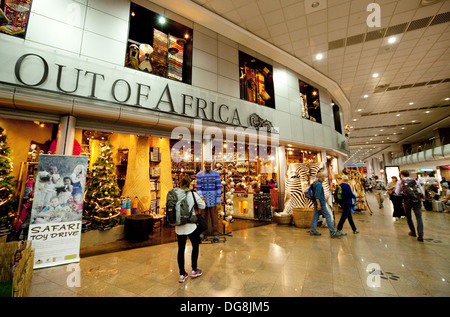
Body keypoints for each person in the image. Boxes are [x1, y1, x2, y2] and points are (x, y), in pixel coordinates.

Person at [176, 175, 206, 283]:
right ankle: (194, 270)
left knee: (181, 249)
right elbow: (202, 206)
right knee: (195, 246)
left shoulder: (176, 194)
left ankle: (182, 274)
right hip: (191, 226)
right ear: (189, 184)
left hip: (179, 226)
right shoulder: (193, 194)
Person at [395, 170, 425, 242]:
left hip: (407, 201)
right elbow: (421, 190)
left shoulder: (400, 182)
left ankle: (413, 232)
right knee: (419, 217)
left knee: (409, 217)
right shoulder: (414, 181)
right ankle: (420, 235)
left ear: (401, 175)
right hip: (417, 201)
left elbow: (397, 192)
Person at [310, 171, 342, 238]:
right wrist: (319, 204)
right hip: (321, 204)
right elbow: (317, 195)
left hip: (317, 203)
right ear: (321, 177)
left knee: (315, 217)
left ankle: (313, 230)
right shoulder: (319, 184)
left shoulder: (315, 183)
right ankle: (332, 232)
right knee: (328, 216)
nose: (325, 178)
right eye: (324, 176)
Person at [196, 161, 222, 242]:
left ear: (211, 165)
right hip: (203, 200)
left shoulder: (216, 174)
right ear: (204, 165)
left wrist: (218, 200)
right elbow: (198, 188)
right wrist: (200, 197)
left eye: (209, 165)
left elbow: (219, 187)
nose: (207, 166)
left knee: (214, 218)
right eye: (206, 165)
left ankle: (216, 234)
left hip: (213, 199)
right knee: (202, 218)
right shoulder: (199, 175)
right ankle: (202, 233)